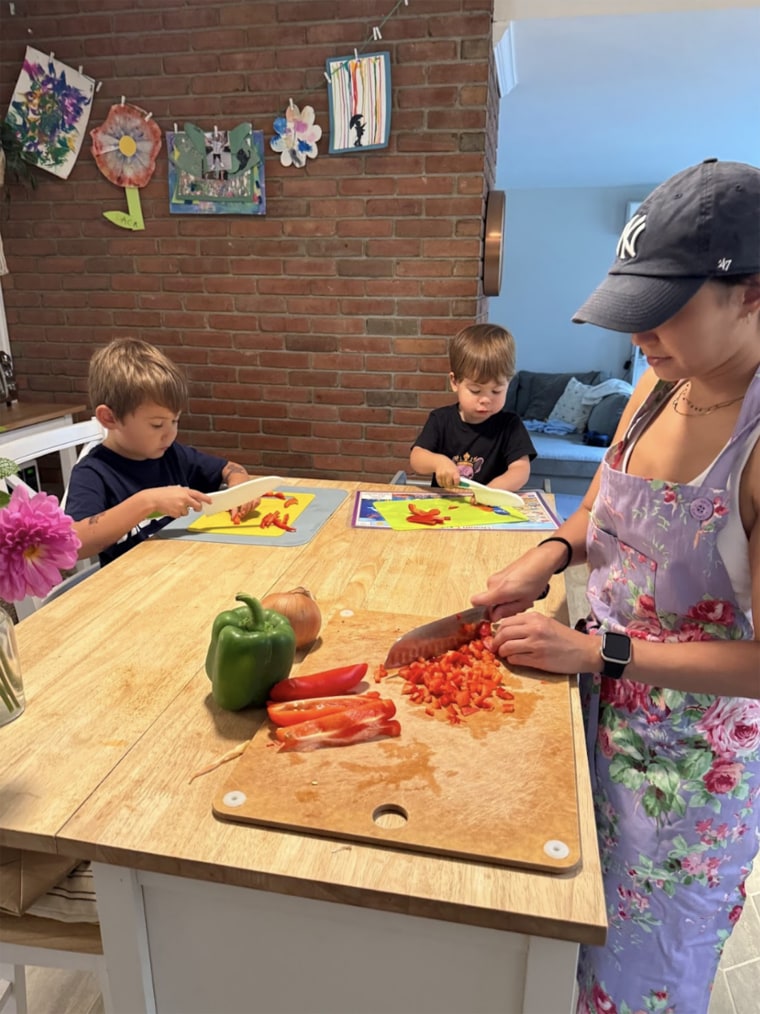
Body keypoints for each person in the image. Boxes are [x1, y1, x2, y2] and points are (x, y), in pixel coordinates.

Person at [471, 158, 760, 1014]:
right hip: (589, 703)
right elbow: (600, 509)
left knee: (635, 981)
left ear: (750, 294)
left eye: (664, 310)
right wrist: (546, 555)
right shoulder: (656, 386)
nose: (641, 337)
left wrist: (602, 652)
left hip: (686, 771)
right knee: (549, 945)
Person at [66, 338, 261, 567]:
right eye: (157, 425)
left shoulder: (171, 454)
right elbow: (74, 543)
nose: (170, 434)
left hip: (184, 564)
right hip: (131, 580)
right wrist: (147, 502)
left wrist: (239, 490)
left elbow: (230, 469)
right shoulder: (93, 472)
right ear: (110, 418)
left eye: (175, 421)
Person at [409, 323, 536, 490]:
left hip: (490, 502)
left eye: (496, 391)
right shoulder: (440, 419)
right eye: (475, 390)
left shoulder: (510, 425)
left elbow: (521, 470)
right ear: (455, 382)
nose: (486, 400)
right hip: (448, 502)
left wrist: (491, 492)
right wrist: (438, 462)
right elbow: (417, 458)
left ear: (508, 383)